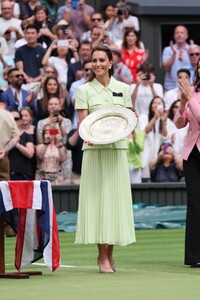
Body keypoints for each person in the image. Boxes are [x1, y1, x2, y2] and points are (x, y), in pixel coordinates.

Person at [75, 45, 136, 273]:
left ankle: (110, 255)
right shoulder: (84, 90)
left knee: (114, 203)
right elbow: (84, 124)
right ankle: (102, 257)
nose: (98, 64)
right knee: (99, 203)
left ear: (111, 63)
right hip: (94, 153)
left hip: (117, 151)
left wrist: (133, 119)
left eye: (102, 60)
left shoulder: (124, 88)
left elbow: (128, 120)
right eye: (94, 60)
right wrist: (90, 136)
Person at [174, 57, 200, 267]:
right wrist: (183, 102)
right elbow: (179, 123)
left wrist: (189, 98)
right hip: (191, 154)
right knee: (193, 202)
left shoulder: (192, 93)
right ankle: (193, 257)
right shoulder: (192, 90)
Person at [0, 102, 20, 237]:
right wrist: (3, 151)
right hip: (2, 157)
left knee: (5, 190)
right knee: (5, 191)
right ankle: (9, 226)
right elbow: (16, 137)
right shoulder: (7, 115)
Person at [162, 25, 191, 91]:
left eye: (182, 33)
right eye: (177, 33)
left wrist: (192, 52)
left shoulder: (192, 50)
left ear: (186, 36)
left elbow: (196, 67)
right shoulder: (168, 50)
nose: (179, 35)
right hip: (171, 87)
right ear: (174, 35)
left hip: (189, 86)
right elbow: (165, 68)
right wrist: (174, 54)